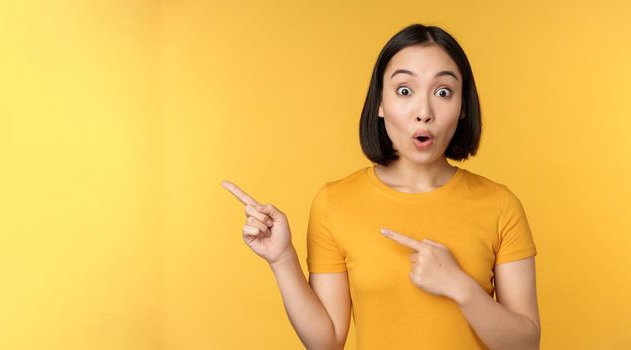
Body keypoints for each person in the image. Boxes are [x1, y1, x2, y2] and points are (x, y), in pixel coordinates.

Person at [221, 23, 540, 350]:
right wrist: (282, 260)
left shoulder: (500, 205)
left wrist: (461, 287)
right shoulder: (336, 202)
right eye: (405, 90)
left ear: (461, 108)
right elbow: (327, 342)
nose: (424, 112)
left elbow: (525, 345)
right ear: (380, 104)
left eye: (443, 92)